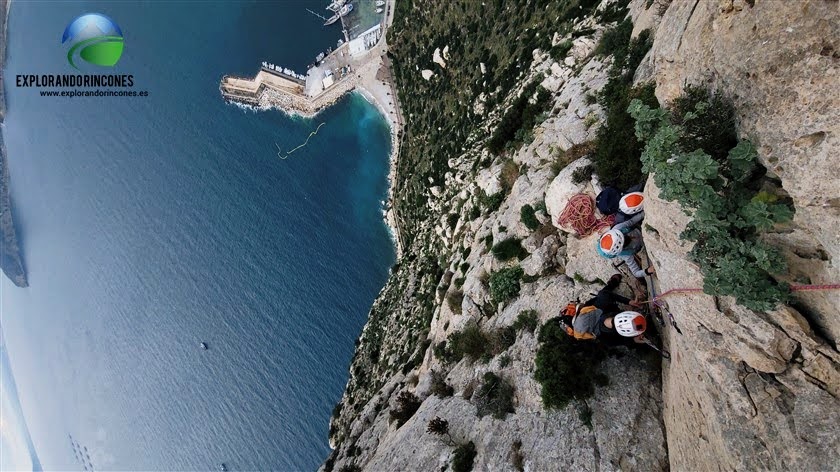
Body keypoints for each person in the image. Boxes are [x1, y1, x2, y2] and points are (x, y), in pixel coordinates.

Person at [596, 196, 654, 280]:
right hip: (644, 243)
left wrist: (644, 213)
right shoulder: (625, 254)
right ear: (621, 247)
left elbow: (631, 221)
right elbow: (636, 272)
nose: (624, 235)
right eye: (624, 239)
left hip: (640, 230)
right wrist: (647, 271)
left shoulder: (618, 228)